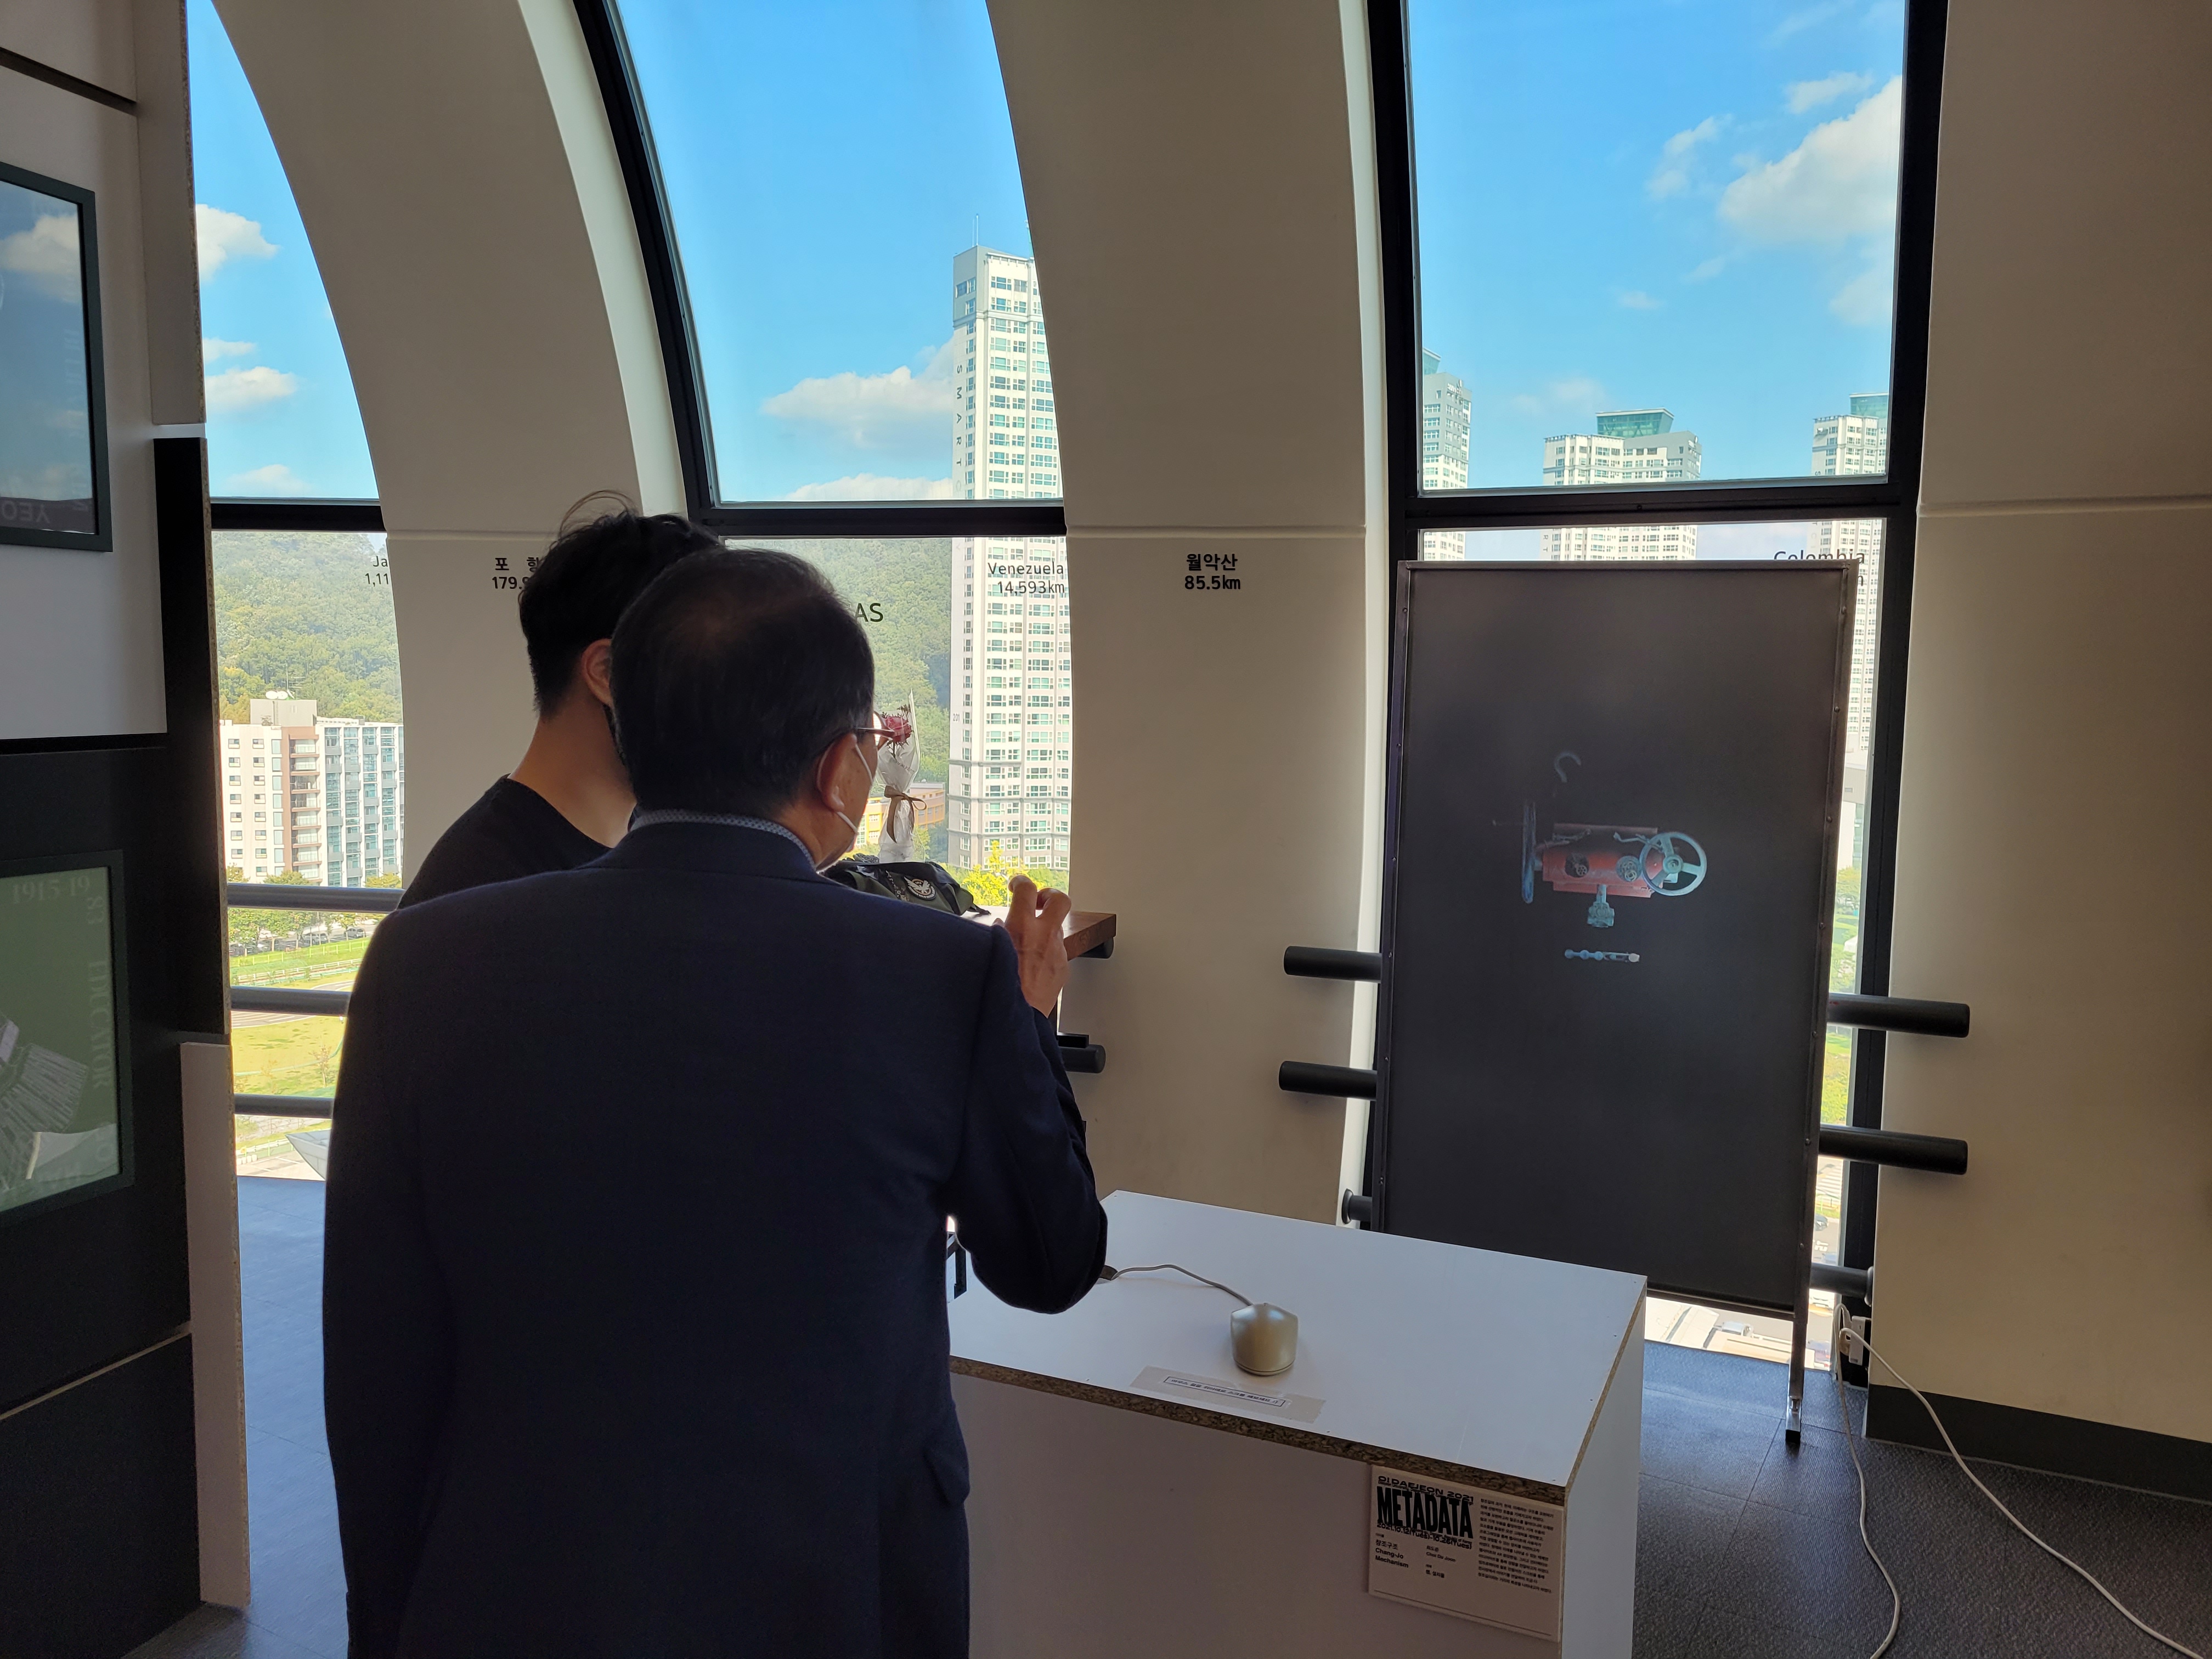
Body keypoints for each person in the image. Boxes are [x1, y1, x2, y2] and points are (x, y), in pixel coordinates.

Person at [323, 547, 1107, 1658]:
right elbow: (1051, 1260)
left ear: (633, 732)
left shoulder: (426, 959)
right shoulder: (939, 975)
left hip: (523, 1585)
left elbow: (377, 1357)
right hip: (835, 1586)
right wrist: (1025, 1016)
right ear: (839, 768)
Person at [398, 498, 718, 907]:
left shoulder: (643, 834)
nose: (732, 707)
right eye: (711, 672)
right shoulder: (480, 896)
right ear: (608, 673)